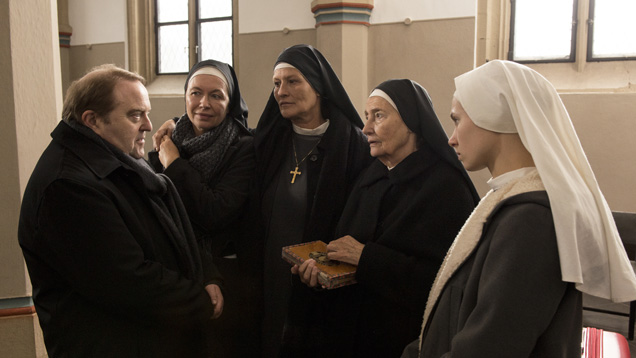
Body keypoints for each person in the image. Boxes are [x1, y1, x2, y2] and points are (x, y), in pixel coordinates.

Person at [402, 60, 636, 358]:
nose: (451, 137)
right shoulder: (506, 198)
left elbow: (491, 347)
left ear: (495, 116)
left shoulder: (532, 219)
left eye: (457, 120)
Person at [18, 64, 223, 358]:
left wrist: (207, 275)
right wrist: (199, 301)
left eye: (146, 113)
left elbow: (172, 232)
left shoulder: (119, 160)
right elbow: (128, 282)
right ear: (92, 120)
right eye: (135, 115)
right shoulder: (67, 186)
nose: (148, 126)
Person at [287, 79, 480, 357]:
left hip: (401, 342)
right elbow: (345, 252)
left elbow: (443, 283)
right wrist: (322, 274)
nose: (366, 129)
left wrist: (367, 258)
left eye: (378, 116)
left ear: (412, 122)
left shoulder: (446, 188)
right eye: (366, 117)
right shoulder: (371, 175)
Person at [250, 44, 373, 357]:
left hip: (320, 283)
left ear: (319, 87)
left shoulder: (352, 144)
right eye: (276, 83)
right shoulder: (270, 139)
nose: (281, 91)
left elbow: (364, 218)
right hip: (268, 274)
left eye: (293, 81)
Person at [148, 59, 256, 358]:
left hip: (224, 272)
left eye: (216, 95)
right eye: (195, 93)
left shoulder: (244, 146)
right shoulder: (169, 140)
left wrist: (176, 165)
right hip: (176, 270)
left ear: (230, 100)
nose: (203, 103)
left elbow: (216, 212)